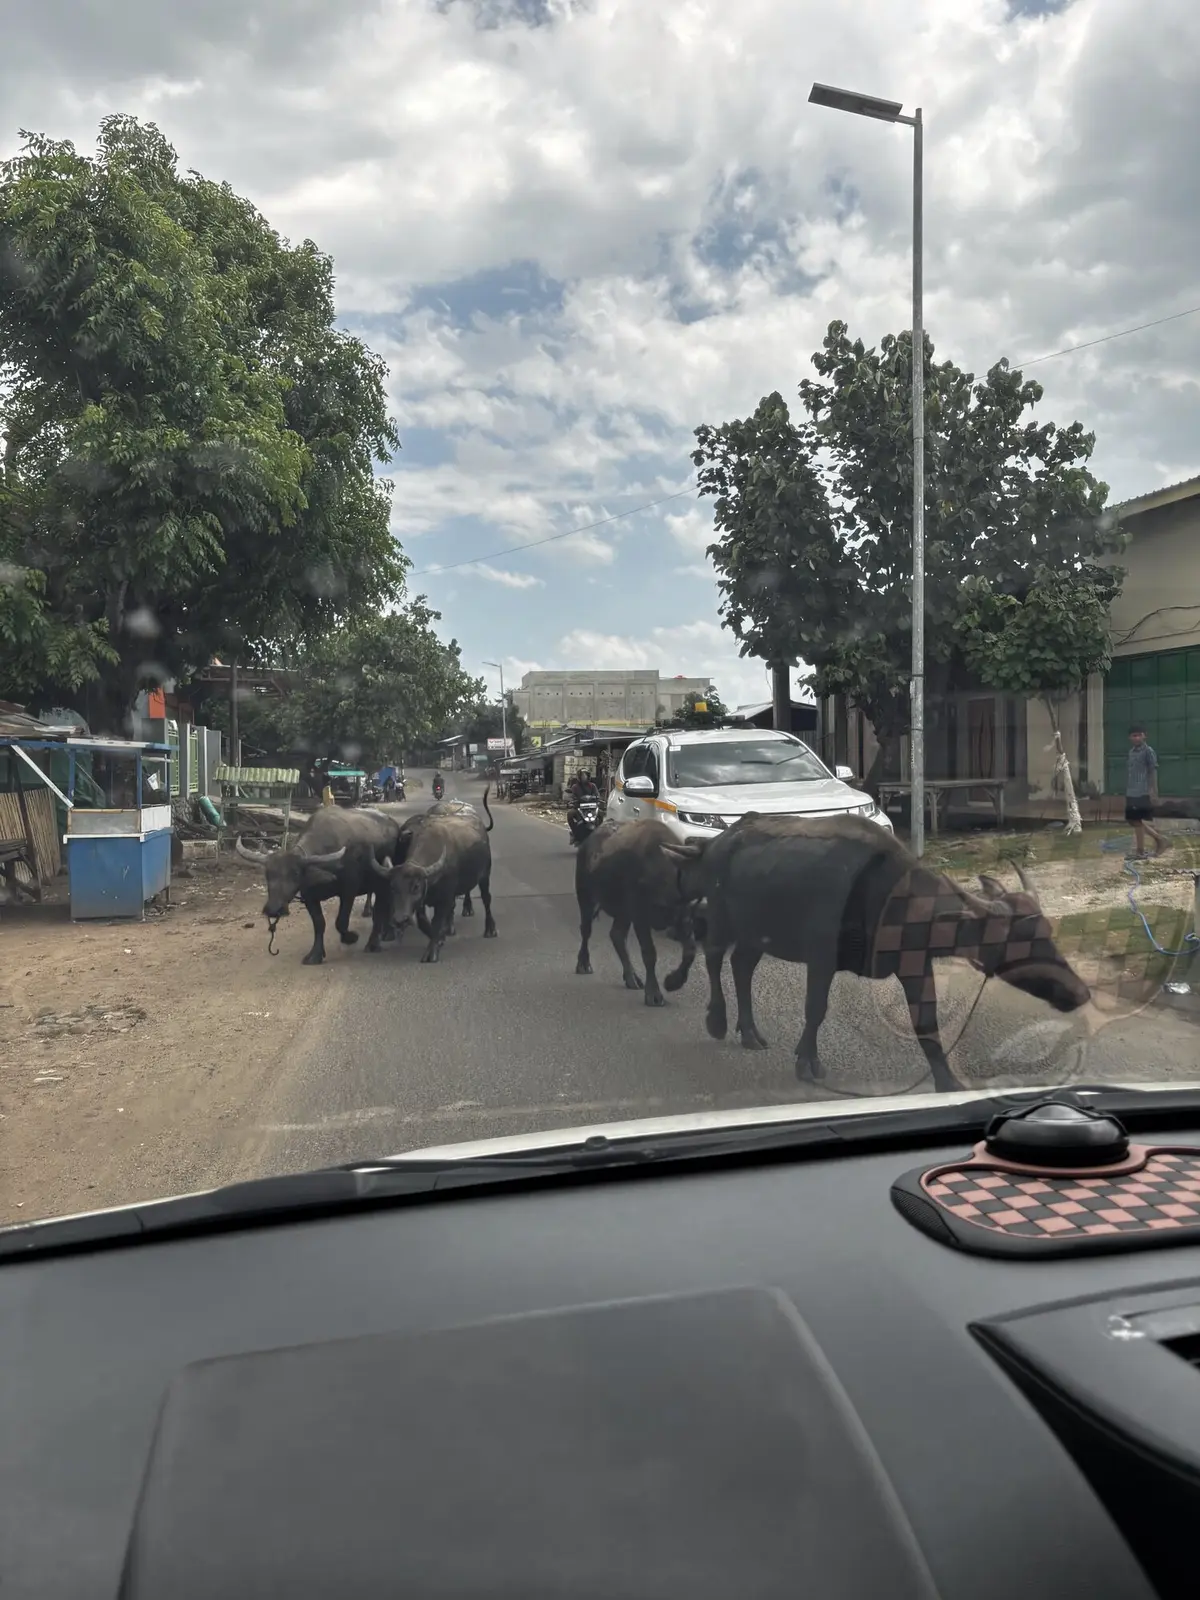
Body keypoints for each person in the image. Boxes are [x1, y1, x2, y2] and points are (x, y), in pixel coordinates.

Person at [1126, 724, 1168, 858]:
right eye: (1134, 735)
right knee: (1133, 820)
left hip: (1143, 791)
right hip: (1131, 791)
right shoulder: (1131, 752)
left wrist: (1153, 792)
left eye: (1139, 735)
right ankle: (1160, 839)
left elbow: (1152, 772)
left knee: (1137, 820)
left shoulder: (1148, 751)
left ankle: (1140, 851)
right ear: (1130, 737)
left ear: (1145, 735)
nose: (1137, 738)